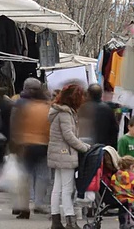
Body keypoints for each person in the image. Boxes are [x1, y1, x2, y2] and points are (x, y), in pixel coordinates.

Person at [48, 83, 91, 229]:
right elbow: (69, 136)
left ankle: (56, 221)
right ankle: (70, 221)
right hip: (65, 154)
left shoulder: (58, 111)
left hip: (58, 153)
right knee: (67, 189)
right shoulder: (65, 114)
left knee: (57, 188)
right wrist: (84, 147)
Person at [11, 78, 51, 219]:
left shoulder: (21, 104)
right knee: (42, 175)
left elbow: (15, 125)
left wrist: (15, 143)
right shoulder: (46, 106)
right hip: (43, 145)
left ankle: (23, 206)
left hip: (25, 144)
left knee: (24, 176)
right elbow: (49, 128)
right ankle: (39, 203)